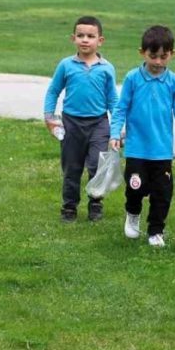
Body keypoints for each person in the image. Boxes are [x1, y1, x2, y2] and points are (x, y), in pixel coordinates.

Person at [110, 26, 175, 248]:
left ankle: (156, 230)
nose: (158, 62)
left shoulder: (174, 82)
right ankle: (133, 213)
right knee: (135, 187)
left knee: (162, 193)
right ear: (142, 53)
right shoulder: (133, 78)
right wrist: (115, 133)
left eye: (163, 56)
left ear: (172, 54)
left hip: (162, 151)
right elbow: (121, 108)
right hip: (136, 148)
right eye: (153, 56)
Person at [43, 16, 118, 222]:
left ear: (100, 41)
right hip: (71, 124)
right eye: (81, 35)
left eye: (90, 36)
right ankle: (69, 207)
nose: (85, 40)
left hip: (99, 124)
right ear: (73, 38)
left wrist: (119, 124)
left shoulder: (106, 68)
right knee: (72, 168)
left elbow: (113, 99)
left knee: (97, 165)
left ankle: (95, 203)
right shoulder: (66, 65)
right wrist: (49, 116)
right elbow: (53, 91)